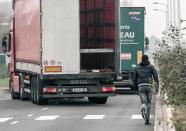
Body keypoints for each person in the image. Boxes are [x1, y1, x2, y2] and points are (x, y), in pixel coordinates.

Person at [133, 55, 159, 125]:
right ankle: (147, 120)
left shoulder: (137, 67)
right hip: (149, 86)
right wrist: (157, 84)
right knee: (149, 103)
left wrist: (135, 88)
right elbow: (156, 76)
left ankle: (143, 105)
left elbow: (134, 79)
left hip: (141, 86)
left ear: (141, 59)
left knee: (143, 101)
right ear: (148, 59)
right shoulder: (151, 67)